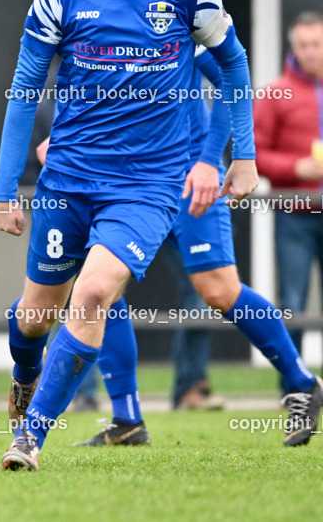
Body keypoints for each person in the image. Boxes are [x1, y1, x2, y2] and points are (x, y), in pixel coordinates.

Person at [0, 0, 264, 472]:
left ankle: (29, 439)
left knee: (91, 294)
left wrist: (240, 155)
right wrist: (5, 187)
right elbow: (23, 90)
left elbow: (235, 67)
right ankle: (25, 375)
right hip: (67, 179)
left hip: (148, 185)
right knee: (35, 315)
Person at [72, 47, 320, 447]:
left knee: (217, 290)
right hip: (127, 183)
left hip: (190, 178)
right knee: (103, 285)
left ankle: (302, 383)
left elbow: (230, 79)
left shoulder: (181, 4)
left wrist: (214, 159)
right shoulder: (95, 11)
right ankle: (127, 420)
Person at [254, 11, 323, 357]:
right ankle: (294, 384)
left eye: (316, 44)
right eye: (303, 45)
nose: (310, 52)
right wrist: (297, 167)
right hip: (293, 212)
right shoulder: (275, 94)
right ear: (293, 48)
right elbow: (253, 155)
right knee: (292, 300)